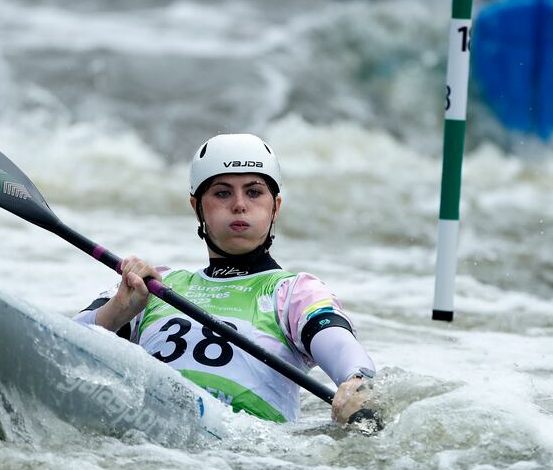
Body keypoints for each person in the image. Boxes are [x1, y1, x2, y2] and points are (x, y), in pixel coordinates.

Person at [74, 133, 376, 425]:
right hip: (152, 437)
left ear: (276, 207)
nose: (239, 204)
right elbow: (65, 347)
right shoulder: (154, 284)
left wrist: (355, 382)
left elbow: (342, 350)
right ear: (197, 207)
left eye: (254, 192)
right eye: (222, 193)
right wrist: (118, 312)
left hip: (242, 453)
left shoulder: (293, 292)